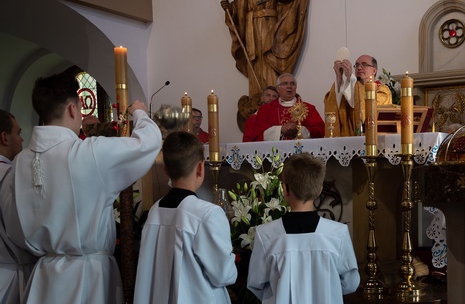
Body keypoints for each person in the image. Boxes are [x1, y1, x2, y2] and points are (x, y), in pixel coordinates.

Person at [4, 72, 161, 303]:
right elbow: (147, 144)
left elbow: (13, 228)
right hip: (89, 278)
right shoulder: (88, 153)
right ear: (71, 109)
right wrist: (140, 113)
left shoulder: (19, 162)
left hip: (43, 279)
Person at [134, 131, 237, 303]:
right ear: (200, 168)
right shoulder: (207, 214)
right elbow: (224, 275)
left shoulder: (154, 211)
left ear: (165, 169)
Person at [247, 153, 359, 302]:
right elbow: (350, 284)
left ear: (285, 189)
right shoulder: (337, 234)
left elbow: (256, 283)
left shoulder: (266, 234)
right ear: (319, 190)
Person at [220, 0, 322, 97]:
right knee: (255, 64)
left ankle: (273, 100)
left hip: (269, 29)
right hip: (251, 30)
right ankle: (257, 101)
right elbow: (238, 7)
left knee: (269, 62)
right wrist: (229, 8)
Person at [0, 110, 37, 304]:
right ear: (4, 137)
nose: (22, 140)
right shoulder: (11, 177)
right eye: (19, 132)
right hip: (11, 277)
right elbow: (23, 231)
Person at [323, 54, 392, 137]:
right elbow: (334, 104)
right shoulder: (350, 87)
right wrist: (339, 77)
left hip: (373, 138)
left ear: (374, 71)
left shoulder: (382, 90)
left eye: (364, 64)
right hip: (349, 139)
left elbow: (366, 107)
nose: (359, 68)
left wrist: (350, 77)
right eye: (357, 65)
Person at [246, 74, 325, 141]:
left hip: (302, 155)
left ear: (295, 88)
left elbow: (320, 130)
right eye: (285, 83)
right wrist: (280, 130)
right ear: (278, 89)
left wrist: (298, 129)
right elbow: (257, 134)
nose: (289, 86)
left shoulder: (308, 108)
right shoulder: (266, 110)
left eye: (292, 84)